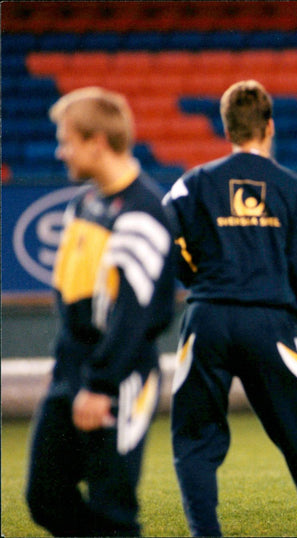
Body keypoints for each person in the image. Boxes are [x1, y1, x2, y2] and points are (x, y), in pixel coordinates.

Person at [162, 80, 297, 537]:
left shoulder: (194, 184)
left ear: (226, 128)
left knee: (195, 443)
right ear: (269, 126)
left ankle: (207, 534)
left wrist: (195, 280)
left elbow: (162, 240)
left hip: (207, 318)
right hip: (271, 321)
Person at [25, 86, 177, 536]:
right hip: (71, 372)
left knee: (113, 507)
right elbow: (72, 299)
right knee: (45, 497)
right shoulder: (84, 203)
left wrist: (100, 384)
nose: (61, 150)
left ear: (97, 142)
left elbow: (138, 317)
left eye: (67, 139)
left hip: (118, 378)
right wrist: (66, 370)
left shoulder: (143, 214)